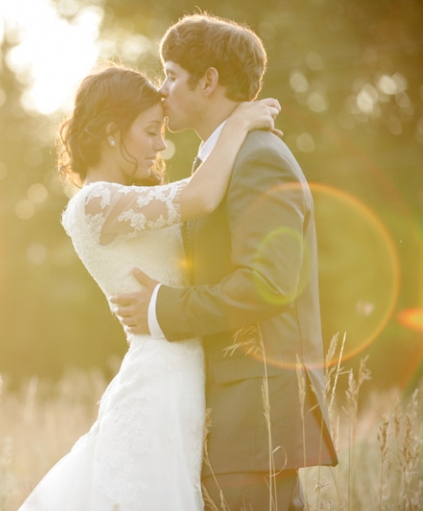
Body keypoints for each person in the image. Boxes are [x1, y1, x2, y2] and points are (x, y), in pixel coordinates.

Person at [18, 64, 281, 510]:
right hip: (158, 384)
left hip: (182, 380)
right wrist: (237, 122)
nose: (162, 143)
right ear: (111, 132)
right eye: (151, 131)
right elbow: (200, 196)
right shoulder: (95, 203)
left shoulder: (130, 197)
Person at [110, 13, 338, 510]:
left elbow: (267, 285)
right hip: (232, 411)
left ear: (208, 80)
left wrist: (163, 308)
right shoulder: (225, 160)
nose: (162, 89)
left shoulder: (259, 158)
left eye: (170, 74)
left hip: (255, 413)